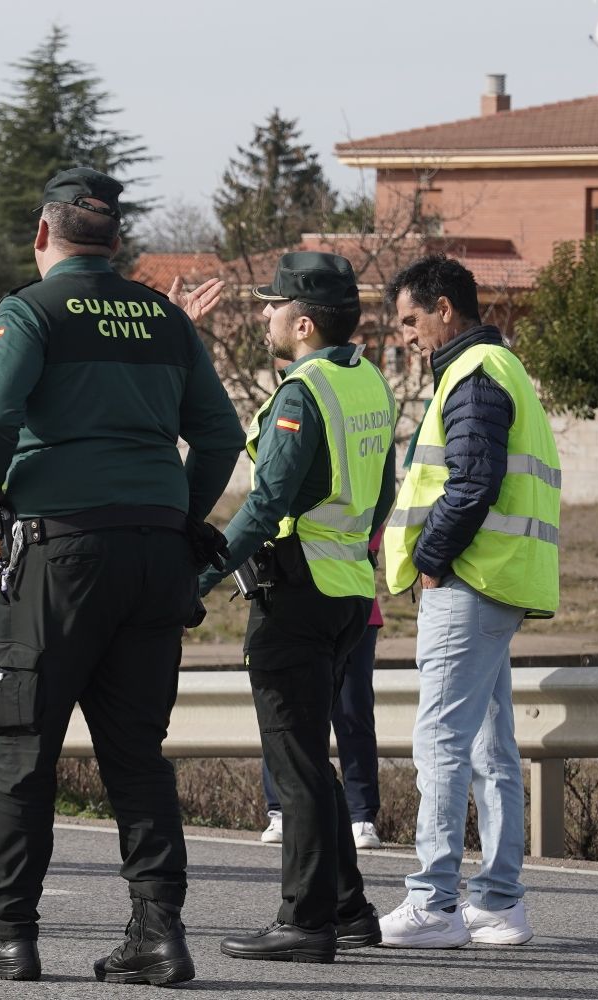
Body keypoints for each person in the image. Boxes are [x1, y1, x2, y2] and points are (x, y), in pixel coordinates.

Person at [0, 167, 244, 986]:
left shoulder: (29, 311)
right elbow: (220, 437)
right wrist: (176, 517)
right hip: (156, 555)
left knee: (23, 745)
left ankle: (9, 932)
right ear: (115, 242)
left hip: (62, 554)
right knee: (137, 754)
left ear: (43, 235)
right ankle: (159, 934)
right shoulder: (163, 316)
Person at [186, 251, 396, 964]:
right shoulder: (367, 379)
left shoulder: (303, 393)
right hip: (346, 594)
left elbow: (267, 502)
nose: (265, 316)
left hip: (295, 593)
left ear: (303, 323)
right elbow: (386, 489)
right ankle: (349, 908)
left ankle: (304, 921)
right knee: (311, 752)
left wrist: (199, 582)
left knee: (297, 762)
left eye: (273, 306)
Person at [377, 254, 560, 949]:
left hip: (470, 579)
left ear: (444, 308)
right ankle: (499, 902)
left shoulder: (473, 376)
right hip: (499, 579)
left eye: (410, 319)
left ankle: (433, 900)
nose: (406, 335)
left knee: (442, 742)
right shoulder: (501, 368)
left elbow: (472, 481)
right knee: (490, 746)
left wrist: (429, 559)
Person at [260, 533, 386, 851]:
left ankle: (360, 815)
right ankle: (282, 810)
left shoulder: (360, 482)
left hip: (351, 599)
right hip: (294, 602)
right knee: (285, 709)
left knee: (352, 711)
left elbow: (373, 523)